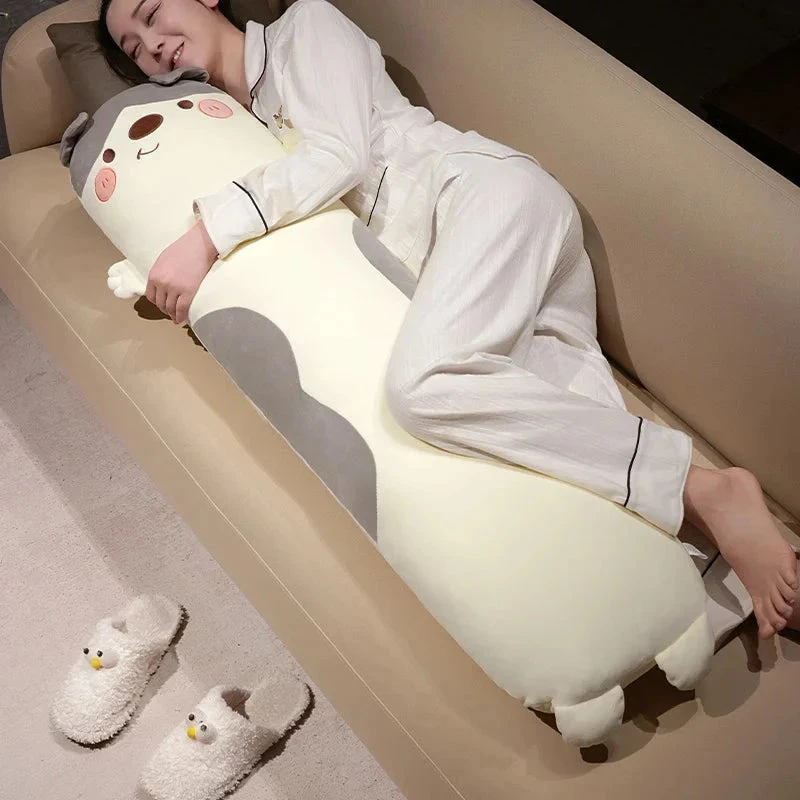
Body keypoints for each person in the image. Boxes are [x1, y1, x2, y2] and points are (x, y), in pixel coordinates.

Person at [100, 0, 798, 640]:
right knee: (563, 459)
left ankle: (709, 488)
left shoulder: (302, 29)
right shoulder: (227, 129)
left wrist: (205, 236)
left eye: (152, 13)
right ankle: (714, 575)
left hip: (478, 202)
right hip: (457, 282)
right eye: (132, 48)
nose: (152, 46)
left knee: (422, 387)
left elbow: (338, 155)